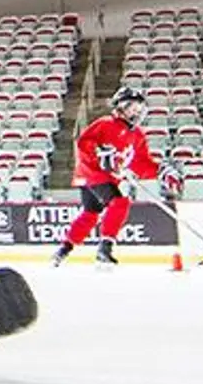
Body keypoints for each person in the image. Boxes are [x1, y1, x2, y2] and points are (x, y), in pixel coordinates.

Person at [53, 85, 159, 267]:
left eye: (139, 109)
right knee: (119, 203)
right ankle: (105, 248)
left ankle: (63, 249)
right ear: (120, 107)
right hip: (93, 173)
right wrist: (99, 154)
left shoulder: (137, 135)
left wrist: (161, 171)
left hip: (102, 178)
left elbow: (141, 162)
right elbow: (84, 143)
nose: (136, 112)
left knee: (90, 214)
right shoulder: (105, 123)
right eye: (132, 107)